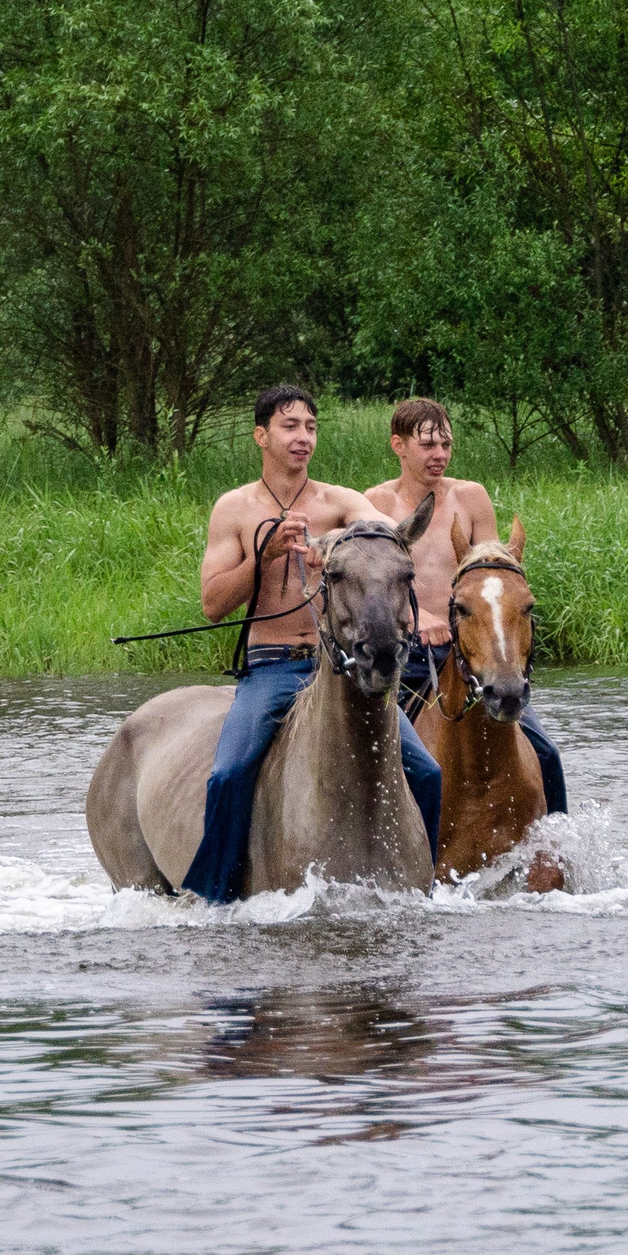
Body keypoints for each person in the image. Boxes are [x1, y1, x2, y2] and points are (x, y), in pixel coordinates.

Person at [186, 386, 442, 902]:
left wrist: (346, 546)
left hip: (342, 667)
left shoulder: (341, 502)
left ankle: (423, 889)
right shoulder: (234, 508)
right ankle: (215, 899)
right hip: (273, 667)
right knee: (229, 772)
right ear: (261, 436)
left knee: (427, 771)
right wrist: (266, 553)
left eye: (311, 426)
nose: (303, 437)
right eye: (290, 426)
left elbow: (388, 540)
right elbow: (213, 604)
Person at [367, 397, 568, 814]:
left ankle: (557, 846)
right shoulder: (376, 503)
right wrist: (417, 617)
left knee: (546, 751)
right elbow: (374, 583)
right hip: (410, 653)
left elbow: (490, 575)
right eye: (427, 445)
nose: (439, 454)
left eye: (446, 444)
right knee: (372, 750)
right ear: (398, 445)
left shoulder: (471, 496)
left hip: (468, 648)